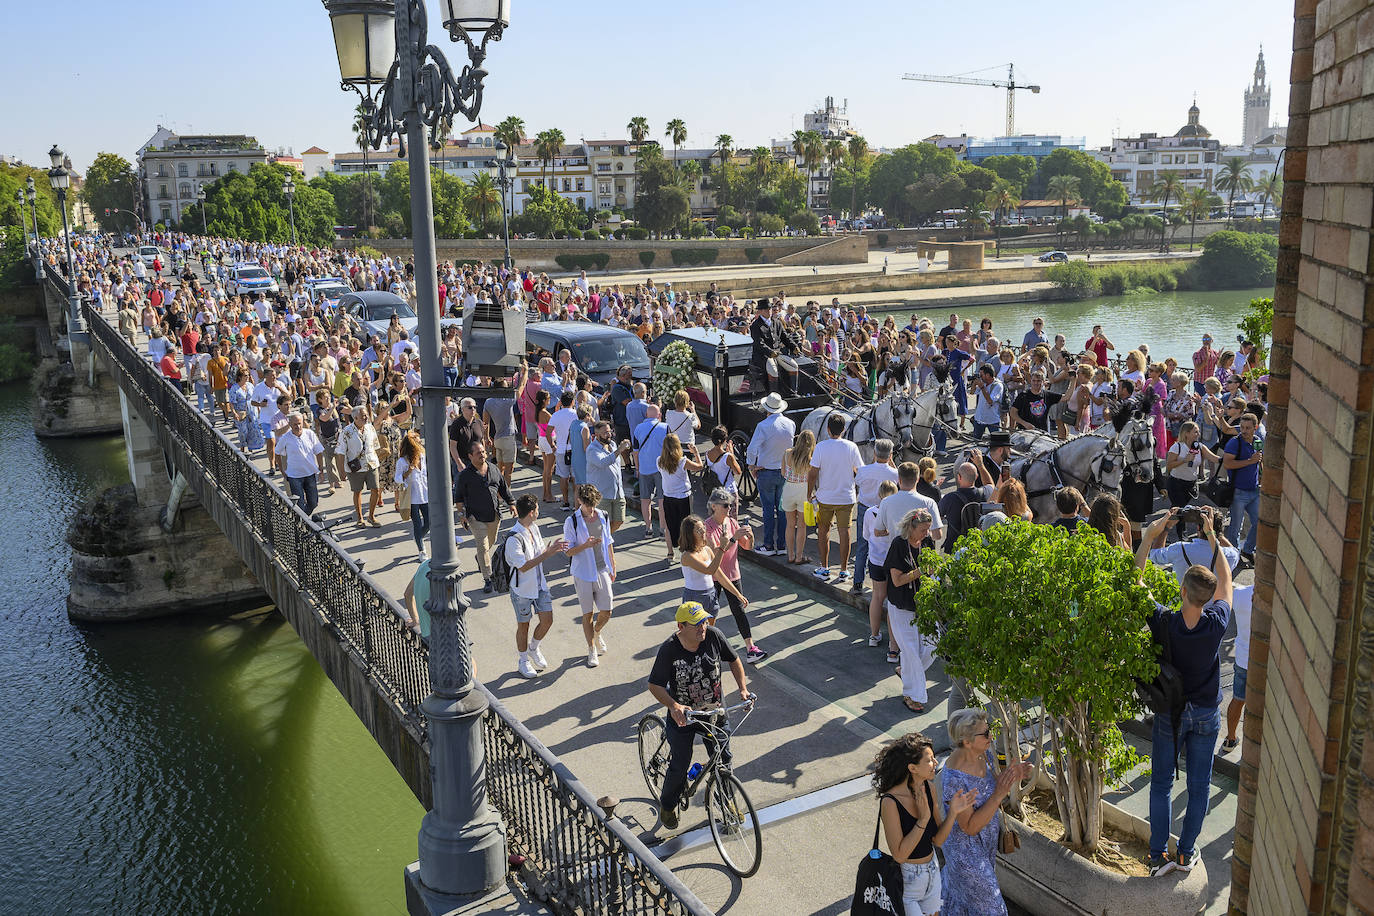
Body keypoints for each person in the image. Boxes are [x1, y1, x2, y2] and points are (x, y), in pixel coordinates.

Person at [1135, 507, 1232, 876]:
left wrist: (1148, 537)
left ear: (1182, 590)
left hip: (1170, 712)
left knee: (1160, 784)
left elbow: (1136, 580)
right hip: (1206, 712)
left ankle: (1157, 855)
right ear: (1207, 598)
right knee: (1199, 788)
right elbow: (1224, 577)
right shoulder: (1217, 621)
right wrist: (1211, 535)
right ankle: (1186, 854)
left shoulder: (1163, 621)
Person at [646, 601, 753, 830]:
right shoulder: (669, 649)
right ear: (681, 626)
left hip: (714, 714)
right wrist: (674, 706)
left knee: (724, 760)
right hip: (684, 717)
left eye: (704, 621)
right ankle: (667, 805)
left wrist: (742, 689)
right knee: (680, 763)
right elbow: (654, 685)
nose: (702, 627)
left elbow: (734, 660)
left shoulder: (714, 636)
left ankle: (726, 802)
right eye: (696, 624)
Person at [873, 733, 978, 916]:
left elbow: (937, 841)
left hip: (932, 871)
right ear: (912, 768)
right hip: (908, 881)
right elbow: (899, 855)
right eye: (929, 760)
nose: (936, 763)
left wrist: (952, 812)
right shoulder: (890, 802)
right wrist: (922, 820)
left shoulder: (929, 788)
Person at [942, 708, 1033, 915]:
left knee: (964, 903)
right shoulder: (954, 779)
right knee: (994, 909)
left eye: (989, 730)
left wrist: (1013, 774)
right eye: (985, 734)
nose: (991, 736)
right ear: (966, 741)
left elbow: (994, 785)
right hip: (965, 855)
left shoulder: (985, 755)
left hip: (985, 846)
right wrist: (999, 794)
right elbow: (970, 827)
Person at [503, 495, 569, 678]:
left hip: (540, 586)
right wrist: (547, 554)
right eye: (537, 509)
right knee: (523, 626)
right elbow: (523, 566)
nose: (539, 512)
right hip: (522, 590)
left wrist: (550, 549)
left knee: (547, 620)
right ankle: (523, 660)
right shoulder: (513, 539)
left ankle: (534, 648)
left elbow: (539, 552)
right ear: (531, 513)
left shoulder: (534, 528)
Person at [884, 508, 937, 714]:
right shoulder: (898, 545)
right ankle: (912, 695)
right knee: (911, 652)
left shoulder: (927, 542)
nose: (926, 533)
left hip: (923, 605)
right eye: (923, 530)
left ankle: (906, 672)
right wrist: (921, 571)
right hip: (902, 606)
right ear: (912, 528)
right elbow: (896, 581)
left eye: (928, 529)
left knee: (933, 645)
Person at [703, 490, 766, 662]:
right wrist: (732, 539)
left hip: (732, 573)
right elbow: (713, 553)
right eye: (725, 505)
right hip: (715, 575)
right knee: (711, 613)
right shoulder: (707, 527)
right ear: (713, 506)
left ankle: (750, 647)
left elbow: (747, 547)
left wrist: (750, 537)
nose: (729, 508)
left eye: (730, 505)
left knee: (739, 611)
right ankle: (705, 646)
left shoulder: (731, 522)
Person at [564, 484, 616, 668]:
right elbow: (568, 551)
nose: (591, 509)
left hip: (602, 569)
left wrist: (613, 566)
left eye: (594, 505)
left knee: (607, 610)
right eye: (588, 505)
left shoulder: (603, 516)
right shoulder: (572, 521)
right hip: (583, 573)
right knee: (587, 614)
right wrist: (585, 545)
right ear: (579, 501)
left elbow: (609, 542)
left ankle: (597, 631)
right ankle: (591, 649)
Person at [454, 440, 516, 594]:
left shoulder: (494, 469)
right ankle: (488, 578)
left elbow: (503, 487)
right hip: (475, 517)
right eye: (478, 453)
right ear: (470, 456)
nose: (482, 455)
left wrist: (511, 503)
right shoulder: (465, 476)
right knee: (482, 546)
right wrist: (462, 515)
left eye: (483, 452)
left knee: (490, 543)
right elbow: (459, 498)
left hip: (494, 515)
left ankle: (480, 558)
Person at [808, 412, 863, 582]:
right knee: (845, 533)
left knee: (823, 531)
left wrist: (808, 493)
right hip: (846, 497)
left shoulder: (821, 447)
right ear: (844, 430)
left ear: (828, 429)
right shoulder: (851, 447)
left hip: (825, 497)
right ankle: (844, 570)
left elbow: (813, 474)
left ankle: (824, 568)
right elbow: (859, 470)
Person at [745, 392, 796, 556]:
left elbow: (752, 449)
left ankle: (768, 545)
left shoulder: (763, 426)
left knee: (767, 511)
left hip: (766, 472)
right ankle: (781, 545)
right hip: (784, 472)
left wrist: (752, 465)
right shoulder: (790, 424)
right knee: (782, 511)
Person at [852, 439, 899, 594]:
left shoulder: (864, 470)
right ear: (890, 455)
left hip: (865, 509)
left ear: (874, 453)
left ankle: (858, 582)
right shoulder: (894, 473)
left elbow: (857, 481)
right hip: (887, 510)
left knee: (862, 545)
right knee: (887, 546)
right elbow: (899, 479)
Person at [864, 479, 902, 661]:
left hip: (876, 560)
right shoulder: (898, 515)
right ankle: (893, 646)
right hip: (893, 562)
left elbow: (865, 536)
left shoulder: (870, 513)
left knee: (877, 597)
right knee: (892, 603)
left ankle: (874, 634)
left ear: (879, 494)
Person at [1223, 412, 1262, 564]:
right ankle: (1234, 556)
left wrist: (1261, 474)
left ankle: (1248, 549)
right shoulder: (1234, 443)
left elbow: (1259, 460)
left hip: (1254, 490)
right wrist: (1249, 461)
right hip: (1238, 492)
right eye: (1242, 427)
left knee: (1259, 522)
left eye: (1248, 428)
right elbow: (1227, 464)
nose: (1244, 431)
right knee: (1235, 528)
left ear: (1255, 428)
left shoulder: (1258, 440)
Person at [658, 432, 703, 560]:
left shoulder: (659, 461)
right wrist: (696, 453)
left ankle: (670, 552)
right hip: (683, 496)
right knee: (688, 526)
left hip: (668, 496)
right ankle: (688, 551)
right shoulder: (682, 461)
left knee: (670, 525)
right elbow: (699, 467)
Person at [937, 456, 994, 552]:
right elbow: (991, 485)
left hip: (955, 548)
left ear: (959, 477)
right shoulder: (985, 493)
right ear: (976, 477)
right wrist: (980, 465)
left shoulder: (949, 498)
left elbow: (938, 516)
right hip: (979, 547)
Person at [274, 411, 325, 517]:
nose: (298, 426)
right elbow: (277, 452)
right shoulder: (285, 438)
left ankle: (303, 519)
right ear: (290, 424)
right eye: (295, 424)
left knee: (313, 502)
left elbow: (319, 451)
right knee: (300, 505)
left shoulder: (310, 434)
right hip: (294, 476)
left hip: (310, 474)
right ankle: (303, 524)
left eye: (299, 423)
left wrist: (321, 469)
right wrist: (282, 470)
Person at [584, 420, 631, 534]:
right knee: (603, 523)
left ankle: (605, 539)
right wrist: (620, 450)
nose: (609, 434)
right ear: (596, 435)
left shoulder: (613, 445)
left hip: (617, 492)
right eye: (605, 433)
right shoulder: (592, 449)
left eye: (610, 431)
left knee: (619, 520)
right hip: (602, 494)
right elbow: (603, 462)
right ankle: (603, 543)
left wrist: (619, 448)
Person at [633, 403, 670, 539]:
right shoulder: (665, 427)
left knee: (645, 499)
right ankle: (662, 529)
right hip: (662, 469)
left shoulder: (638, 428)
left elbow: (635, 452)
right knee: (661, 500)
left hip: (644, 468)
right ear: (659, 415)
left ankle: (648, 528)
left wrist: (637, 468)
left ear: (646, 415)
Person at [342, 405, 382, 527]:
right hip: (356, 467)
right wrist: (341, 472)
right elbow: (340, 451)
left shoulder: (370, 428)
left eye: (366, 415)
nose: (366, 417)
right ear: (355, 418)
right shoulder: (347, 431)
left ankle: (371, 516)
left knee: (375, 489)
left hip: (371, 464)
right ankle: (360, 518)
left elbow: (375, 447)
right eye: (363, 416)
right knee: (357, 492)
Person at [780, 430, 816, 565]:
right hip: (804, 491)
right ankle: (799, 557)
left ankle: (790, 555)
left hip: (789, 489)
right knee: (801, 526)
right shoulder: (812, 458)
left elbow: (783, 473)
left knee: (790, 525)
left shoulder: (787, 453)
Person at [395, 431, 431, 562]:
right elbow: (397, 478)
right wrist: (407, 472)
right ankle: (421, 549)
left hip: (425, 494)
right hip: (412, 497)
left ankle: (418, 537)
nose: (420, 441)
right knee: (417, 523)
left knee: (429, 522)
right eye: (417, 440)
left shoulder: (422, 456)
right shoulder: (402, 461)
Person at [547, 390, 579, 510]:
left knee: (563, 477)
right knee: (576, 478)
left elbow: (548, 433)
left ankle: (565, 502)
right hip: (575, 450)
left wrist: (552, 446)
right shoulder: (576, 414)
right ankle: (577, 504)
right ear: (572, 401)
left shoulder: (556, 415)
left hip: (561, 450)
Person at [970, 365, 1003, 440]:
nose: (980, 377)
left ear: (988, 375)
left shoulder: (998, 385)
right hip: (979, 418)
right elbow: (972, 392)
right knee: (976, 441)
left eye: (981, 375)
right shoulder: (983, 383)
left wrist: (982, 387)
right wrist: (974, 384)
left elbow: (990, 401)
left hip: (992, 420)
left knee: (997, 442)